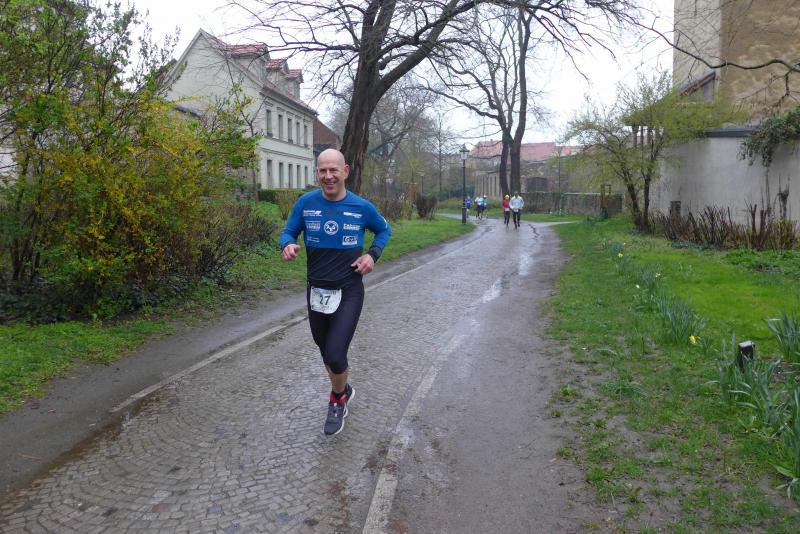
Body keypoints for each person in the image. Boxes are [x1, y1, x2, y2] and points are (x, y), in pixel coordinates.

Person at [280, 149, 391, 436]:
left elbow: (383, 231)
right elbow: (288, 232)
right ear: (317, 173)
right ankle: (344, 388)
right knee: (326, 353)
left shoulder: (361, 207)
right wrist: (287, 244)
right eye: (322, 171)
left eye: (333, 170)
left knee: (335, 353)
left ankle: (337, 399)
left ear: (345, 171)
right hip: (316, 291)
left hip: (349, 290)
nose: (328, 176)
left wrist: (372, 255)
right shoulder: (306, 203)